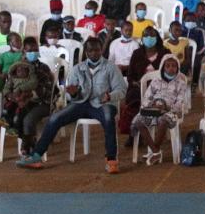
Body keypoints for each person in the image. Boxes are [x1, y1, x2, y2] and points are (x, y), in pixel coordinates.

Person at [17, 38, 127, 173]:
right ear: (86, 52)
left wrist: (110, 96)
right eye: (90, 50)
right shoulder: (78, 68)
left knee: (109, 119)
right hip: (81, 104)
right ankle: (37, 156)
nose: (94, 53)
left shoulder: (110, 67)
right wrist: (73, 94)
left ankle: (111, 160)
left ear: (101, 50)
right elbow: (70, 94)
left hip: (102, 104)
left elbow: (121, 90)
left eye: (97, 50)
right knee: (55, 118)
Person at [130, 54, 188, 165]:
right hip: (153, 109)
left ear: (178, 68)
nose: (171, 68)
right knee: (138, 121)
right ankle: (156, 152)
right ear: (163, 67)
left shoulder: (181, 83)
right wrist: (153, 104)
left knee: (163, 121)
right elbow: (146, 97)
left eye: (174, 66)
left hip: (170, 111)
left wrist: (166, 107)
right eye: (168, 66)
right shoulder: (155, 81)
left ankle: (154, 151)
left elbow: (180, 103)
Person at [4, 39, 55, 157]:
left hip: (42, 103)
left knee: (28, 119)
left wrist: (29, 95)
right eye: (29, 50)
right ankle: (29, 141)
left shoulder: (43, 69)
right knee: (13, 113)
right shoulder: (17, 68)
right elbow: (8, 87)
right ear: (23, 51)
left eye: (35, 50)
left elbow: (47, 92)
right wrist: (13, 97)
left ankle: (28, 147)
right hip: (20, 102)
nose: (33, 52)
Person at [121, 27, 164, 143]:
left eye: (152, 35)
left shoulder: (165, 53)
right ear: (142, 38)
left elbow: (170, 74)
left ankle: (146, 131)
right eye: (146, 36)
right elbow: (130, 76)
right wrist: (136, 83)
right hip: (139, 87)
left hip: (159, 89)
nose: (149, 38)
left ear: (157, 38)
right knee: (134, 97)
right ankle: (134, 132)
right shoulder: (137, 54)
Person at [0, 32, 24, 122]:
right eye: (17, 41)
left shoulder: (22, 55)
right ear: (9, 43)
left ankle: (12, 115)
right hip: (3, 78)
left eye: (20, 41)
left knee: (17, 91)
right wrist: (2, 76)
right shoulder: (2, 56)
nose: (19, 43)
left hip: (17, 78)